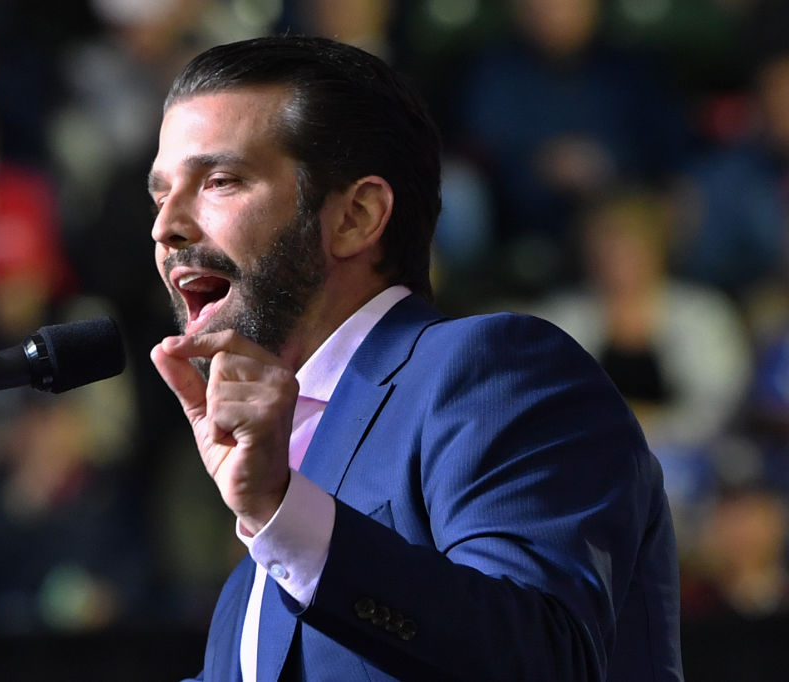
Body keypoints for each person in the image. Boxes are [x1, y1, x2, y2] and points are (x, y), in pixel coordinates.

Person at [147, 35, 683, 681]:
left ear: (357, 216)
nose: (165, 226)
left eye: (220, 180)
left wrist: (281, 513)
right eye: (160, 194)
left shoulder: (491, 373)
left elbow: (545, 661)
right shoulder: (248, 587)